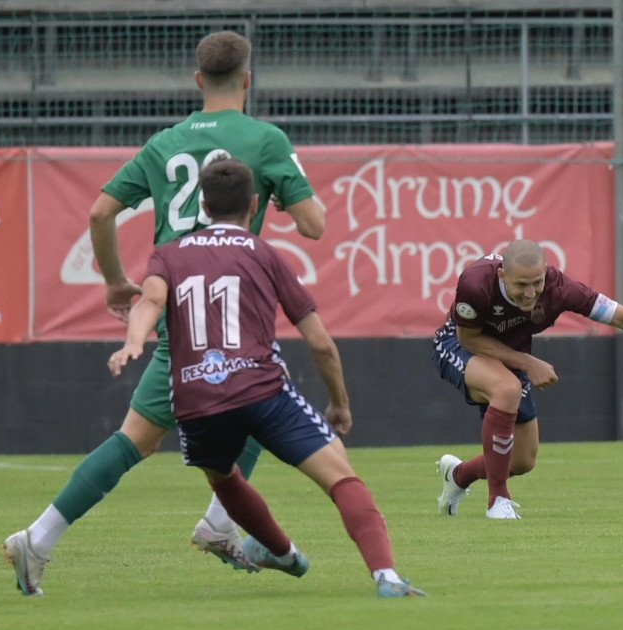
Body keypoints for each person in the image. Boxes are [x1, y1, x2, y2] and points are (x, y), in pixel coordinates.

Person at [4, 30, 326, 596]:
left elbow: (101, 212)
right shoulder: (265, 139)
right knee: (150, 432)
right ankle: (41, 537)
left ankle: (219, 523)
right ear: (248, 79)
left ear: (198, 80)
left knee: (250, 394)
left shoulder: (165, 143)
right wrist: (281, 195)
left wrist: (113, 282)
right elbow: (313, 226)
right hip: (226, 297)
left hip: (179, 293)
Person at [106, 156, 423, 597]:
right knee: (340, 476)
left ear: (204, 203)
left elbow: (149, 300)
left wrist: (134, 341)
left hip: (198, 398)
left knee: (222, 475)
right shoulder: (266, 254)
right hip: (262, 390)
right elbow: (320, 344)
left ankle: (285, 554)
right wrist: (339, 403)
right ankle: (386, 575)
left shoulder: (168, 254)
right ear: (255, 204)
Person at [432, 239, 623, 519]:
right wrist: (528, 362)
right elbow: (468, 338)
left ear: (546, 270)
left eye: (537, 283)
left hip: (510, 354)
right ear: (502, 275)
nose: (530, 294)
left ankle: (458, 475)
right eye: (520, 285)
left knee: (522, 461)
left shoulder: (560, 288)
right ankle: (498, 501)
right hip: (458, 344)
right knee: (507, 389)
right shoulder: (475, 282)